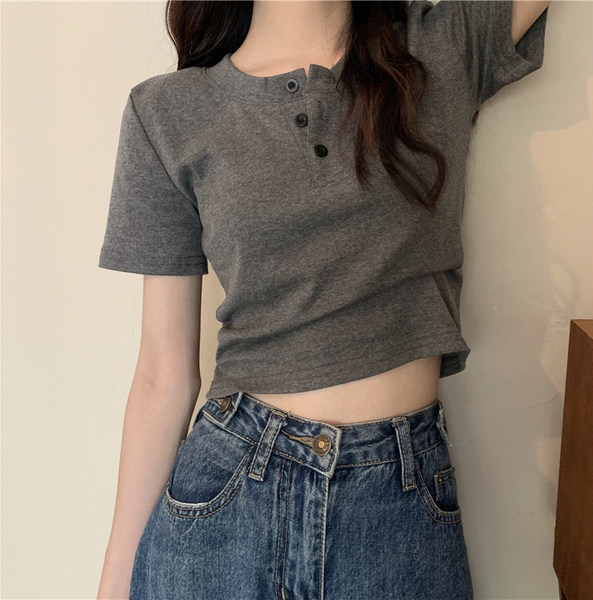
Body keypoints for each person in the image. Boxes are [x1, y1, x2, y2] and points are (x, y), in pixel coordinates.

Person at [96, 1, 551, 598]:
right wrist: (116, 580)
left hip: (399, 508)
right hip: (227, 498)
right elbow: (162, 374)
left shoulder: (441, 49)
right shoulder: (166, 111)